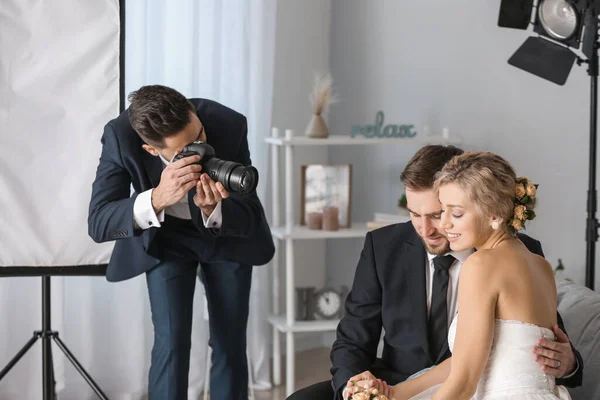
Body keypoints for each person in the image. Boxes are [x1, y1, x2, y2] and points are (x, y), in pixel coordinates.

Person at [286, 145, 582, 400]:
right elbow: (353, 339)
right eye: (414, 215)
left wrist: (570, 363)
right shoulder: (383, 246)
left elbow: (539, 345)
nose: (429, 229)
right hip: (401, 379)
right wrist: (367, 390)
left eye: (445, 213)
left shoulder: (497, 260)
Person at [87, 85, 275, 400]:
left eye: (200, 134)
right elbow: (99, 221)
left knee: (229, 341)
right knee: (171, 342)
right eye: (187, 150)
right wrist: (157, 198)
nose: (202, 148)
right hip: (166, 240)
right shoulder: (121, 137)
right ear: (151, 149)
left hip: (223, 236)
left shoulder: (228, 124)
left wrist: (214, 208)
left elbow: (250, 213)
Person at [381, 151, 574, 399]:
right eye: (444, 211)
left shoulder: (481, 265)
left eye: (457, 213)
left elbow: (463, 384)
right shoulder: (540, 266)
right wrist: (395, 393)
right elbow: (478, 357)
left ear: (494, 215)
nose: (444, 224)